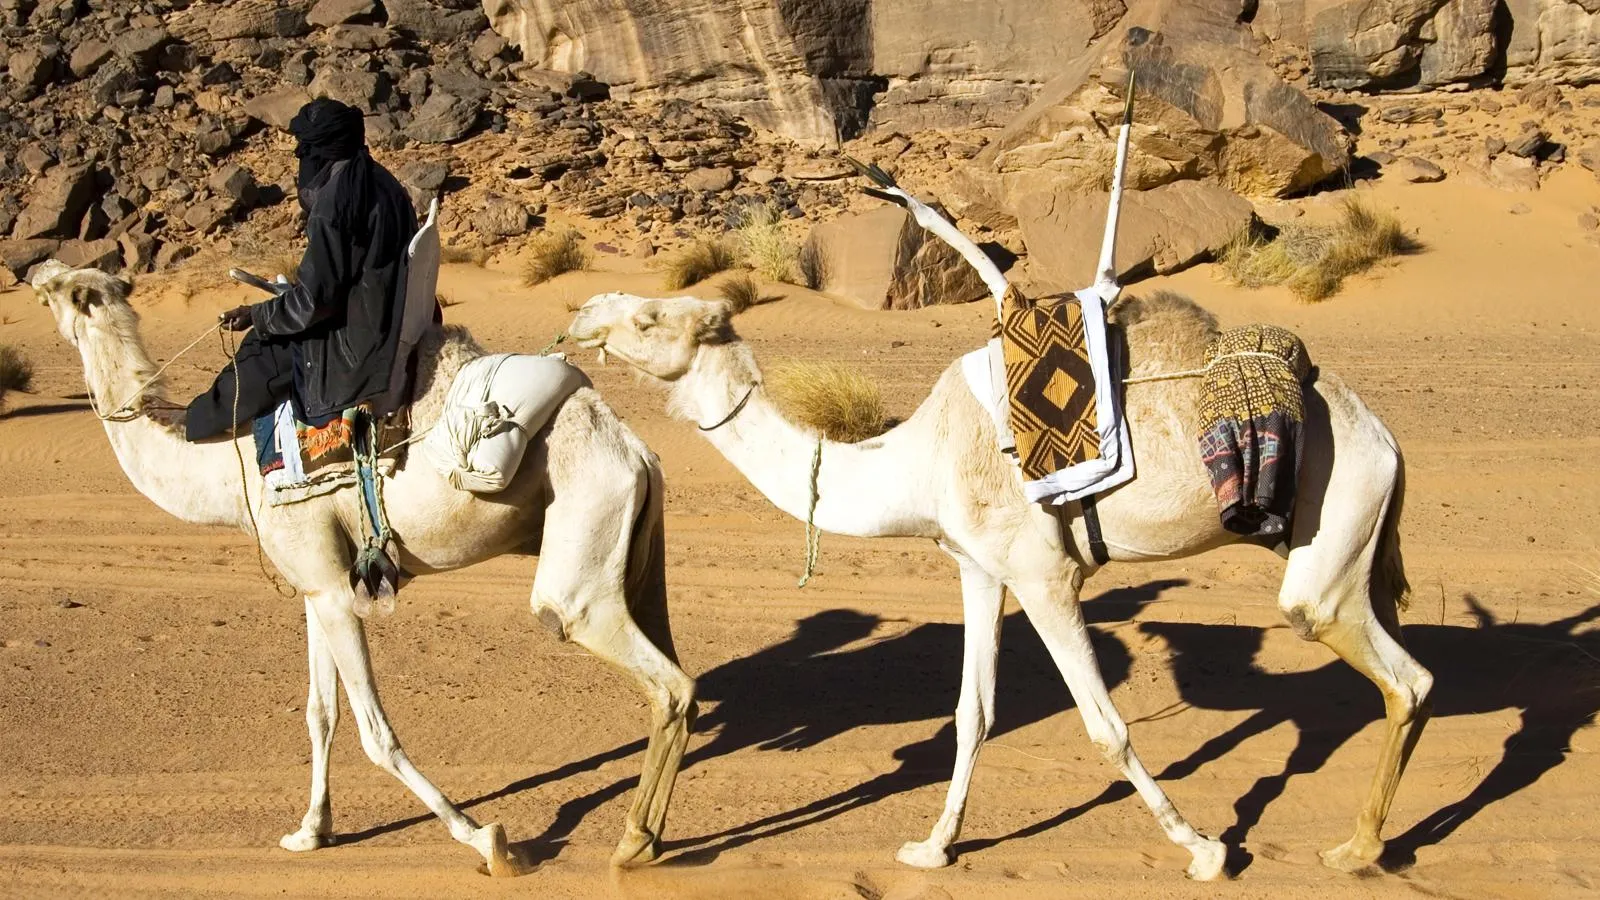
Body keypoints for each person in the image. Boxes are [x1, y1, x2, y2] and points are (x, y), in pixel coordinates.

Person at [168, 98, 421, 441]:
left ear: (317, 149)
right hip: (384, 315)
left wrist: (256, 315)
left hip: (358, 341)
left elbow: (316, 304)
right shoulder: (384, 183)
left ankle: (196, 425)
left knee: (264, 347)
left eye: (305, 147)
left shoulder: (336, 203)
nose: (301, 156)